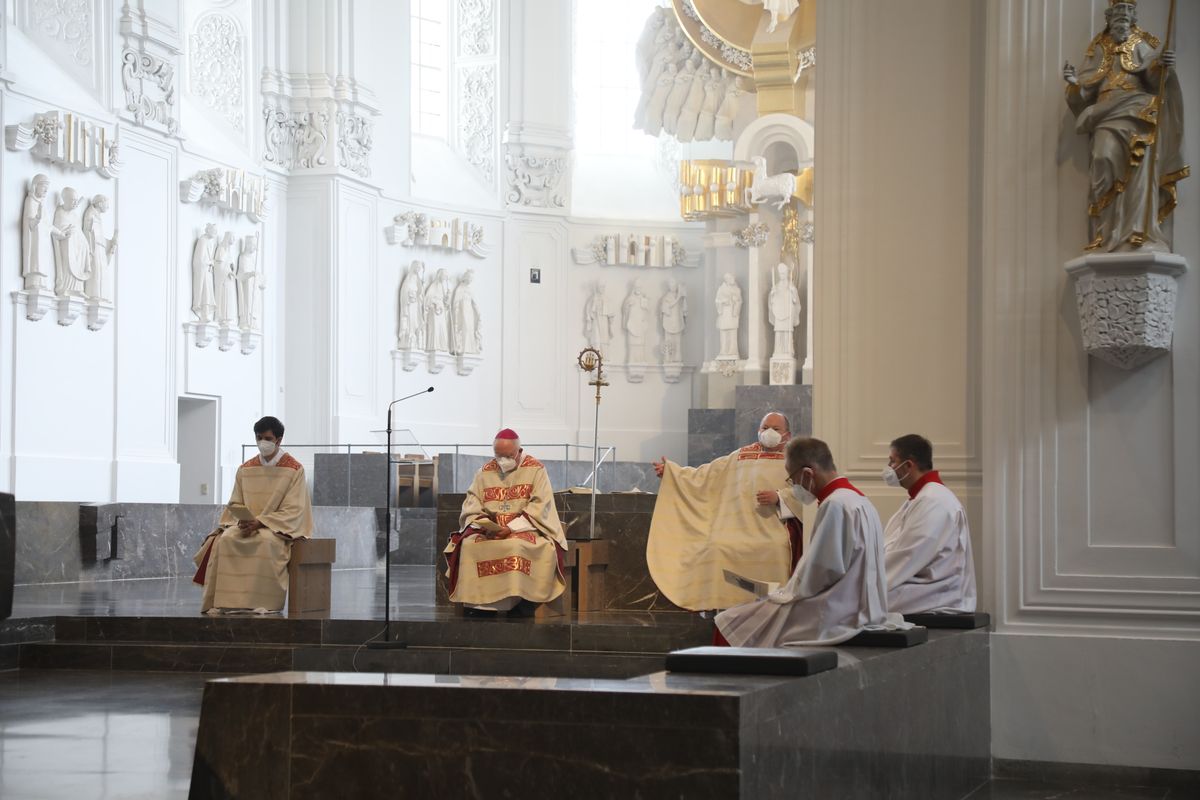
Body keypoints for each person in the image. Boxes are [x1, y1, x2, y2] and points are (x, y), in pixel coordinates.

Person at [715, 437, 908, 647]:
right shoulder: (858, 500)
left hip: (839, 613)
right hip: (858, 605)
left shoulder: (835, 505)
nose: (794, 486)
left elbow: (822, 571)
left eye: (792, 479)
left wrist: (783, 594)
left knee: (730, 623)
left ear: (808, 473)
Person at [646, 412, 803, 611]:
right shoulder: (740, 456)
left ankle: (772, 609)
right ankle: (725, 608)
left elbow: (806, 492)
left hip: (774, 528)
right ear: (758, 431)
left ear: (787, 435)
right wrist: (672, 473)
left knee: (775, 548)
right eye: (765, 428)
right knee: (717, 546)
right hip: (737, 528)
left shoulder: (795, 459)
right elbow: (705, 475)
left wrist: (780, 497)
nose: (769, 432)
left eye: (776, 428)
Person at [1062, 1, 1184, 252]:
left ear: (1132, 20)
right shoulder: (1098, 48)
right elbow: (1087, 85)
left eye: (1126, 18)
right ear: (1109, 19)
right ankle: (1107, 234)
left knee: (1140, 171)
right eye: (1117, 18)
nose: (1121, 21)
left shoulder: (1141, 44)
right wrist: (1075, 82)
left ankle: (1139, 231)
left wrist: (1162, 65)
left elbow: (1154, 79)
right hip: (1106, 112)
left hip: (1137, 109)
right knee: (1102, 157)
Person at [192, 416, 313, 615]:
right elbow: (235, 502)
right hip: (246, 524)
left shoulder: (294, 469)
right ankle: (228, 602)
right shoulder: (246, 469)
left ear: (279, 440)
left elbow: (295, 509)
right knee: (226, 540)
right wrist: (243, 519)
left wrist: (261, 522)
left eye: (267, 438)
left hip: (274, 529)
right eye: (259, 438)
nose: (262, 443)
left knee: (266, 543)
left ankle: (263, 602)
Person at [444, 429, 567, 617]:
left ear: (518, 451)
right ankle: (479, 604)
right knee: (469, 545)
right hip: (491, 531)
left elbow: (540, 506)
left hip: (527, 528)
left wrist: (511, 528)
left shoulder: (536, 469)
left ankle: (522, 601)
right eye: (498, 455)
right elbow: (472, 503)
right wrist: (484, 525)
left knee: (516, 546)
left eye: (508, 456)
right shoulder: (484, 472)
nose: (502, 461)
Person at [881, 434, 977, 614]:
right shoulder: (923, 497)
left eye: (892, 461)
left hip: (936, 593)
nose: (889, 468)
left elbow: (907, 555)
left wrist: (869, 582)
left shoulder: (933, 501)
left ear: (909, 465)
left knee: (855, 605)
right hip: (923, 586)